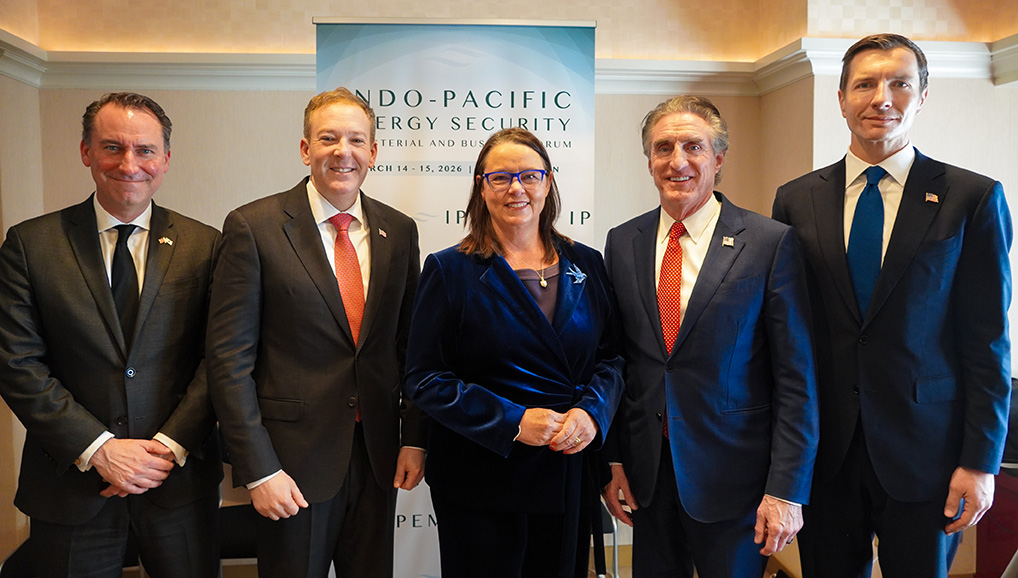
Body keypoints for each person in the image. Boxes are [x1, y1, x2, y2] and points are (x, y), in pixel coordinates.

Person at [772, 33, 1012, 578]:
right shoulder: (795, 199)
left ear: (922, 95)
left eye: (899, 83)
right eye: (865, 84)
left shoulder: (971, 197)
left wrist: (980, 462)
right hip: (825, 454)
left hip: (928, 456)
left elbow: (988, 343)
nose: (882, 97)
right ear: (841, 99)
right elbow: (790, 333)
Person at [206, 87, 426, 578]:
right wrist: (259, 468)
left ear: (373, 151)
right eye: (328, 138)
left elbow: (409, 348)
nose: (342, 151)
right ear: (306, 149)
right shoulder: (253, 227)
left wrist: (414, 438)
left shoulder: (400, 230)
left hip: (376, 459)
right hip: (290, 467)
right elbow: (229, 361)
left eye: (356, 140)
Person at [0, 92, 222, 577]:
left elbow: (220, 359)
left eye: (145, 150)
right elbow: (16, 363)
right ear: (86, 152)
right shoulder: (30, 244)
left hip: (177, 483)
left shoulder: (205, 245)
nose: (129, 164)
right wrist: (99, 448)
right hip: (71, 486)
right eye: (112, 147)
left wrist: (167, 445)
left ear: (165, 158)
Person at [601, 95, 819, 578]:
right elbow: (618, 362)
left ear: (718, 159)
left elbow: (795, 377)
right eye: (663, 148)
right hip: (648, 477)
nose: (677, 161)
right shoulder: (622, 241)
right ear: (649, 161)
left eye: (692, 147)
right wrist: (614, 461)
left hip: (736, 481)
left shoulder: (768, 242)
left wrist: (786, 489)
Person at [404, 127, 625, 578]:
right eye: (500, 177)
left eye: (530, 175)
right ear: (480, 189)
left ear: (548, 184)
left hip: (566, 470)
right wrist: (514, 421)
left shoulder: (588, 262)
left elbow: (612, 359)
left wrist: (592, 413)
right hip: (481, 478)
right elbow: (423, 378)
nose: (516, 188)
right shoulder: (449, 269)